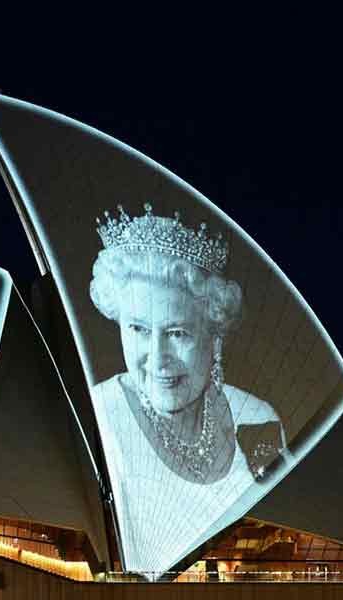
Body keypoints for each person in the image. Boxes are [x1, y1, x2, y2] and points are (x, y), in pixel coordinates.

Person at [89, 203, 288, 577]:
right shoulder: (96, 418)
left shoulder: (258, 418)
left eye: (177, 333)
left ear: (214, 335)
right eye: (138, 330)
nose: (158, 357)